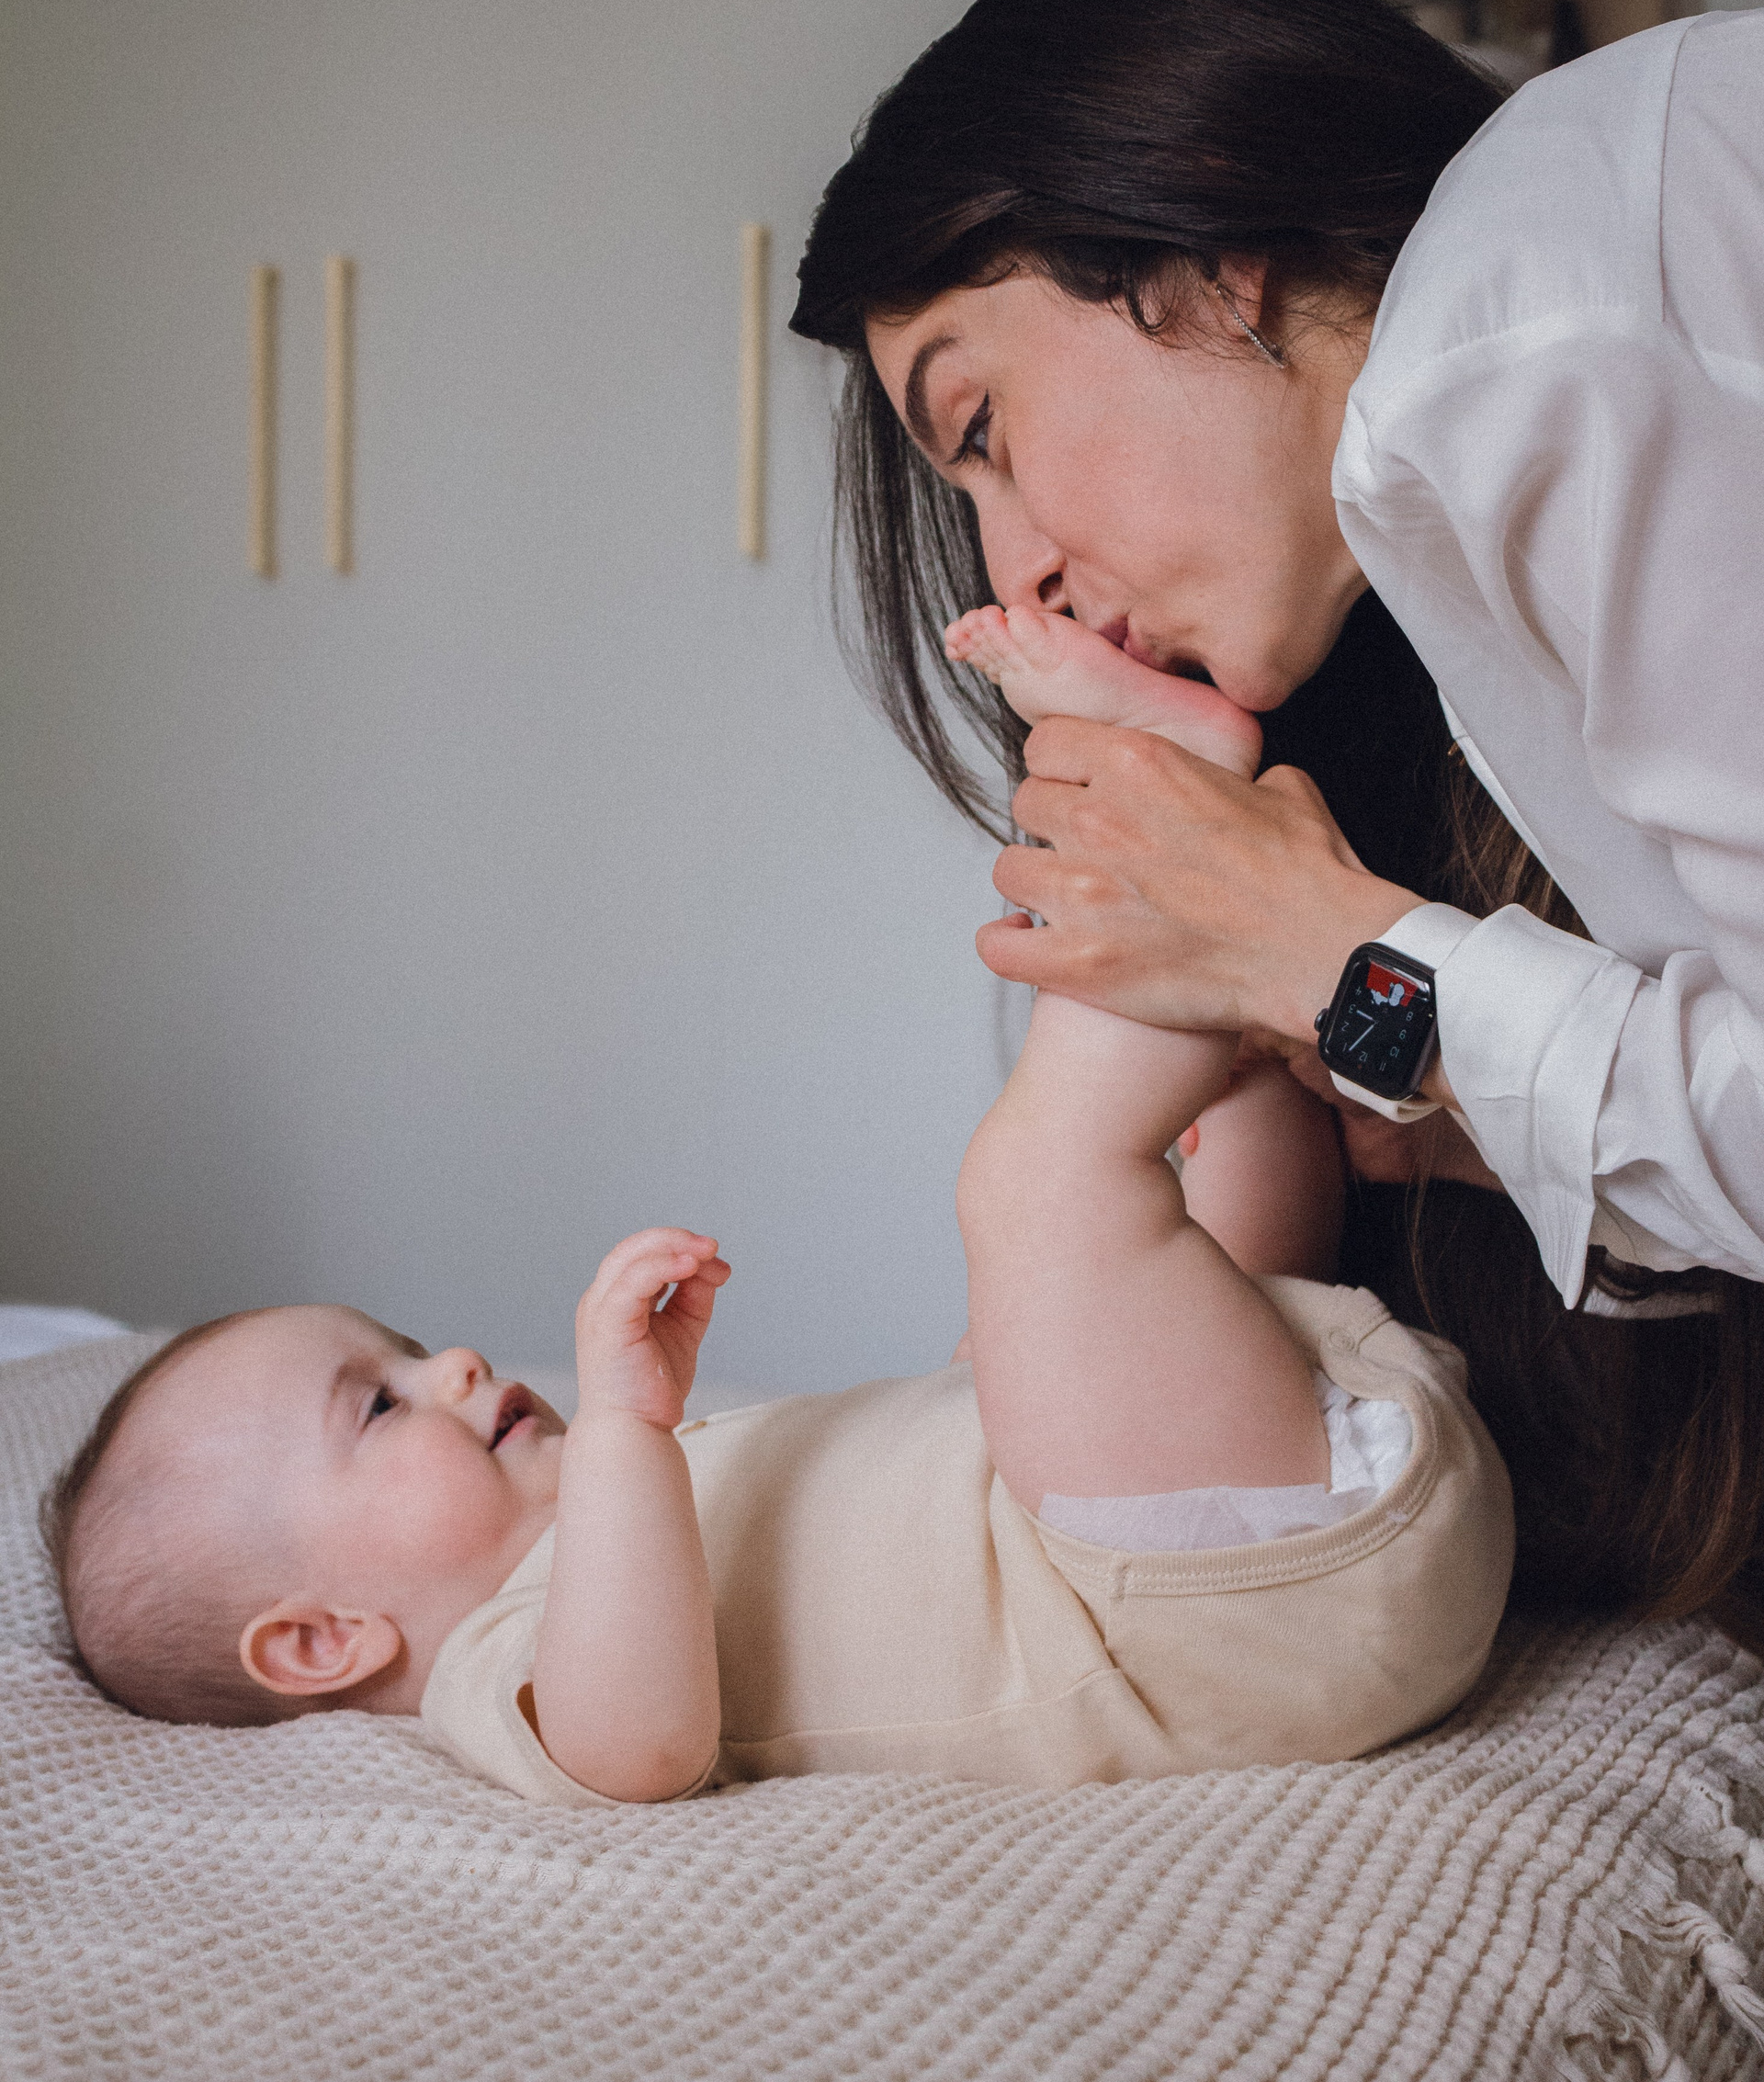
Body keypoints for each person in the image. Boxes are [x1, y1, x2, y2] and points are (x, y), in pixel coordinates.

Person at [44, 624, 1510, 1795]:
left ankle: (1235, 1016)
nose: (457, 1365)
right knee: (1036, 1189)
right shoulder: (501, 1664)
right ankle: (1163, 809)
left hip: (1247, 1500)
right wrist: (625, 1436)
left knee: (1130, 1224)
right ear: (322, 1639)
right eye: (378, 1404)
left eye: (409, 1348)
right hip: (1219, 1612)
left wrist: (994, 1362)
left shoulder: (601, 1525)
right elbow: (641, 1744)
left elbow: (943, 1470)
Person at [788, 0, 1764, 1644]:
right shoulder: (1500, 384)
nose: (1016, 580)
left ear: (1201, 252)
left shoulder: (1518, 332)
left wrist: (1343, 960)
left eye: (984, 426)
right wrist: (1445, 1090)